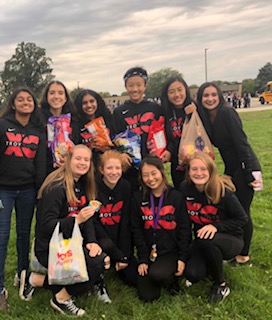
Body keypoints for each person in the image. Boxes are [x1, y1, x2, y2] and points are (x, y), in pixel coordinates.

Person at [20, 145, 111, 316]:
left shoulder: (83, 183)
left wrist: (91, 241)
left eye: (86, 159)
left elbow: (88, 218)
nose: (82, 163)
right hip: (51, 247)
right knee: (96, 264)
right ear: (68, 159)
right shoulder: (56, 187)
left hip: (71, 242)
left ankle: (36, 280)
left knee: (100, 260)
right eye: (78, 158)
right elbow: (46, 226)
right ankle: (61, 299)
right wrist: (76, 220)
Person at [196, 82, 262, 264]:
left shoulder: (227, 112)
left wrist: (248, 172)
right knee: (232, 208)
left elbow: (242, 143)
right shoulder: (208, 117)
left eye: (213, 95)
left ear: (220, 96)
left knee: (242, 211)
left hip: (245, 165)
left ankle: (244, 255)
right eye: (205, 96)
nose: (210, 99)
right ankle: (235, 248)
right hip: (232, 168)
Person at [0, 88, 46, 311]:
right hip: (3, 191)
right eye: (21, 99)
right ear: (13, 103)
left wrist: (39, 190)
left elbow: (40, 163)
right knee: (1, 236)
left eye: (29, 99)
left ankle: (22, 275)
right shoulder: (2, 125)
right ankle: (0, 289)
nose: (26, 102)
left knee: (24, 236)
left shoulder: (39, 130)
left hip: (28, 190)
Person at [179, 152, 248, 303]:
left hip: (230, 239)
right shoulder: (185, 189)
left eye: (203, 169)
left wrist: (216, 227)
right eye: (194, 169)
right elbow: (184, 223)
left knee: (207, 239)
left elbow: (242, 219)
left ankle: (221, 285)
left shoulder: (223, 192)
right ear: (188, 171)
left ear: (211, 170)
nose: (198, 173)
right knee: (192, 274)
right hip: (202, 239)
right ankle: (212, 262)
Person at [131, 155, 191, 301]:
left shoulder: (176, 197)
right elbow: (136, 230)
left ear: (161, 172)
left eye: (153, 173)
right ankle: (157, 276)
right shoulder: (138, 198)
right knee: (148, 297)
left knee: (158, 274)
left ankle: (171, 280)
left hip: (171, 252)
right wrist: (143, 259)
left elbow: (185, 229)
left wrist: (182, 258)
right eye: (145, 175)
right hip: (149, 252)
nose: (150, 178)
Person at [113, 66, 171, 190]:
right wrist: (120, 154)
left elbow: (165, 132)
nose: (135, 89)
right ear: (125, 87)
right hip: (130, 167)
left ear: (145, 86)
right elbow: (114, 138)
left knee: (156, 194)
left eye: (139, 85)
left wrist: (167, 150)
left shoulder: (155, 108)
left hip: (153, 162)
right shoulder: (119, 112)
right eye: (131, 85)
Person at [95, 150, 138, 286]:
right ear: (101, 170)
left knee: (134, 279)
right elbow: (94, 223)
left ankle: (117, 262)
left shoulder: (126, 187)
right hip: (100, 241)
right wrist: (116, 253)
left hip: (120, 240)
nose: (114, 172)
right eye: (109, 168)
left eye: (117, 168)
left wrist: (124, 254)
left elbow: (126, 222)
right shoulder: (94, 187)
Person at [161, 76, 196, 188]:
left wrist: (192, 115)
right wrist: (169, 151)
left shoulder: (196, 108)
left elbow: (205, 134)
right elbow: (171, 139)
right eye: (172, 92)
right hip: (178, 166)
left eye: (180, 89)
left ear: (185, 89)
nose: (177, 95)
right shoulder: (166, 113)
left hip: (197, 163)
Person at [40, 80, 79, 174]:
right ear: (47, 97)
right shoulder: (39, 119)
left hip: (69, 170)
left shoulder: (73, 120)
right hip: (45, 171)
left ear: (65, 98)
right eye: (52, 93)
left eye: (60, 93)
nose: (56, 96)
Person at [74, 89, 114, 169]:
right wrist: (89, 147)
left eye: (92, 101)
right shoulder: (76, 124)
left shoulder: (108, 119)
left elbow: (117, 139)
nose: (89, 105)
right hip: (87, 166)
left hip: (109, 164)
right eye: (84, 103)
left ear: (97, 102)